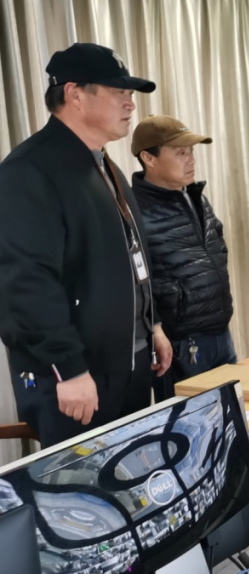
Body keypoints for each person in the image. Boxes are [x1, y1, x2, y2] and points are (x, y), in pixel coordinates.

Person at [0, 43, 172, 447]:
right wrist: (68, 368)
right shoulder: (29, 171)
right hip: (77, 376)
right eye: (119, 92)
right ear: (74, 93)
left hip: (128, 363)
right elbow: (25, 284)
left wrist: (153, 324)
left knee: (131, 475)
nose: (130, 104)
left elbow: (131, 257)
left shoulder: (105, 167)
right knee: (82, 485)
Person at [131, 115, 234, 402]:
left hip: (220, 332)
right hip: (180, 346)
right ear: (148, 158)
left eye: (191, 152)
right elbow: (135, 281)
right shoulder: (134, 210)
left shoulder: (194, 196)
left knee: (233, 414)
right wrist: (155, 328)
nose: (191, 160)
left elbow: (218, 251)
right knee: (191, 424)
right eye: (180, 153)